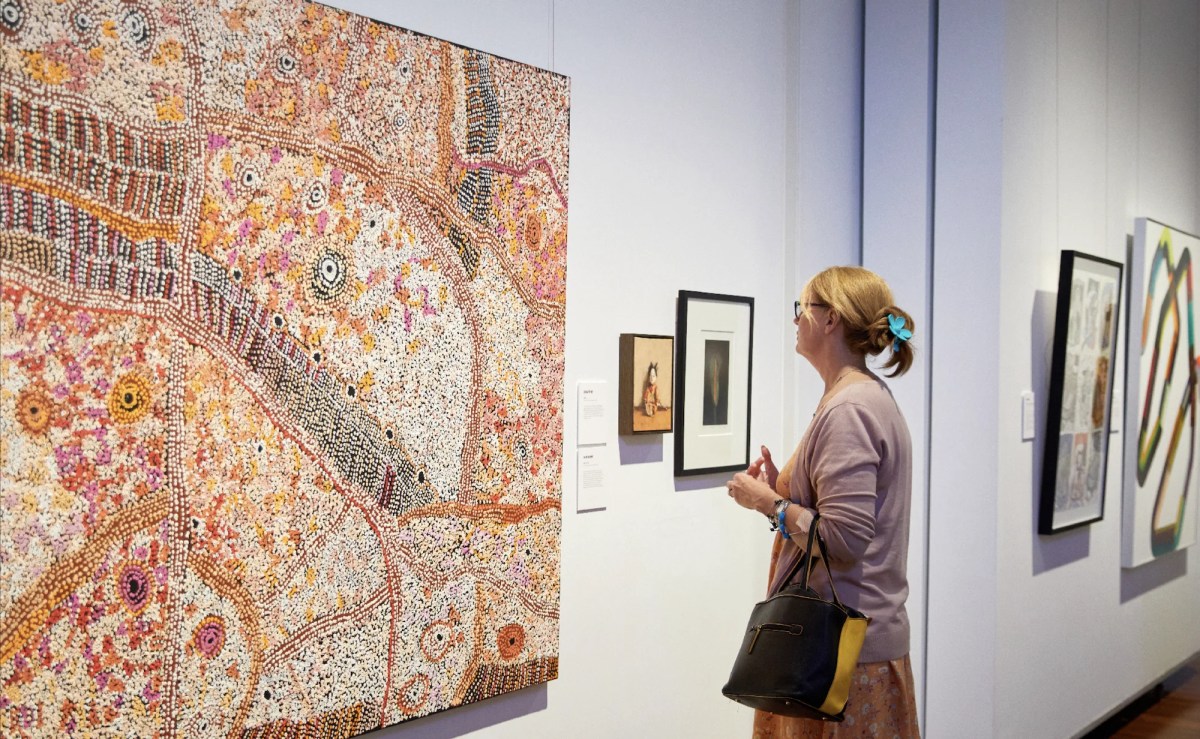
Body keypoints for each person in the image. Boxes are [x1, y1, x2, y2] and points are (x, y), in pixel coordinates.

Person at [726, 266, 920, 738]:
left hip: (840, 661)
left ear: (831, 319)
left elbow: (844, 539)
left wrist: (767, 503)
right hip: (845, 649)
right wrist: (787, 491)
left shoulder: (849, 410)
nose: (796, 321)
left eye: (803, 309)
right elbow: (838, 515)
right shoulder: (858, 396)